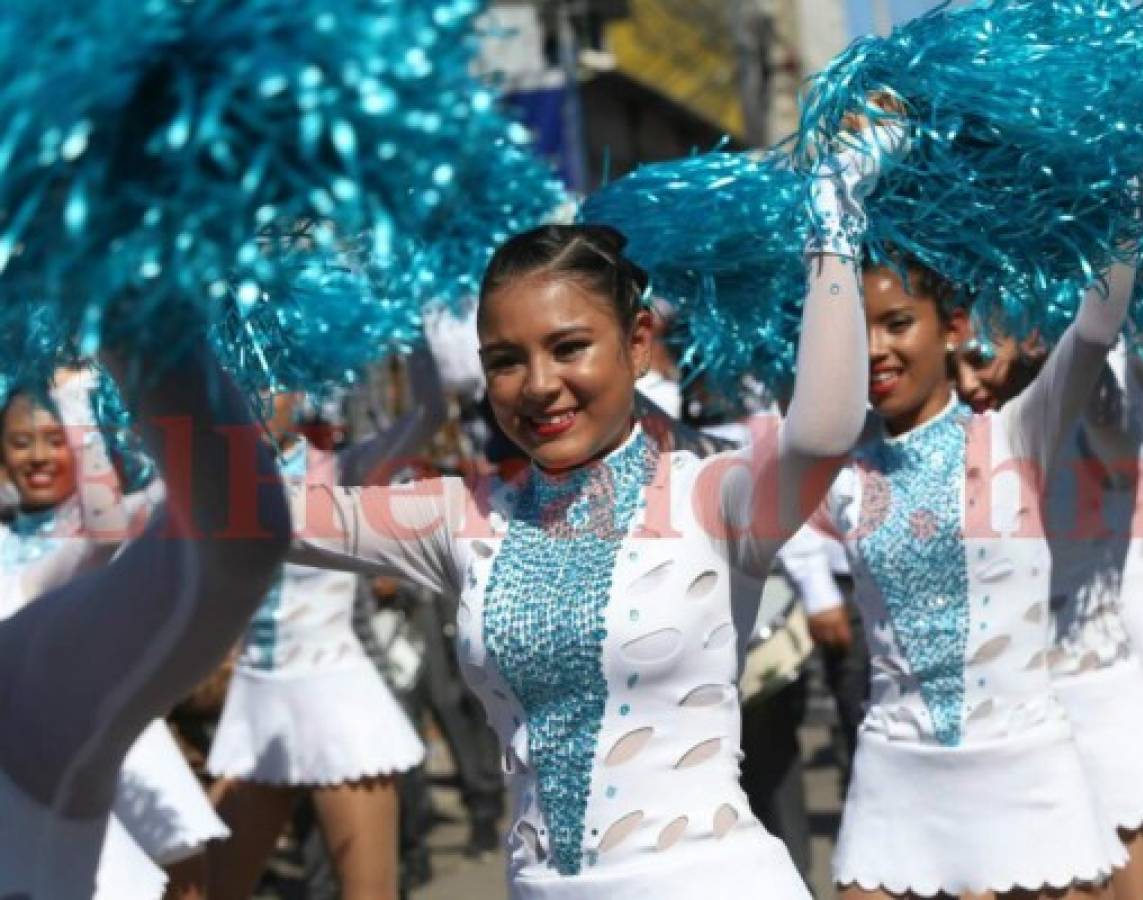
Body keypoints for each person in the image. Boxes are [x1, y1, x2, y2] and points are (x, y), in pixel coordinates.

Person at [281, 112, 890, 896]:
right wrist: (161, 312)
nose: (537, 385)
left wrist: (834, 214)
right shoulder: (462, 515)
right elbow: (256, 517)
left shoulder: (712, 494)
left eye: (569, 347)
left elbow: (825, 427)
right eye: (505, 360)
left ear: (638, 342)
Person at [815, 258, 1134, 899]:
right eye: (857, 330)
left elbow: (1096, 331)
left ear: (953, 327)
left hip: (1021, 777)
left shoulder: (1015, 434)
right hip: (893, 778)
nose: (875, 348)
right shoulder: (837, 471)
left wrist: (1127, 188)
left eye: (897, 323)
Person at [0, 340, 291, 898]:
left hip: (93, 723)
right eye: (20, 442)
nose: (37, 456)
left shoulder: (72, 538)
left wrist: (82, 390)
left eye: (52, 440)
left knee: (181, 865)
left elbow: (121, 527)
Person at [954, 299, 1143, 900]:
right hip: (1009, 724)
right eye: (955, 365)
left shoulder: (1106, 405)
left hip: (1112, 689)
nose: (967, 382)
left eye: (981, 359)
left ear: (1032, 338)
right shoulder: (965, 437)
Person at [207, 347, 446, 900]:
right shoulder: (212, 482)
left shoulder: (338, 468)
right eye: (243, 386)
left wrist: (413, 328)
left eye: (272, 387)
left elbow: (430, 414)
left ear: (301, 392)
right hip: (256, 704)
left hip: (335, 698)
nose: (257, 401)